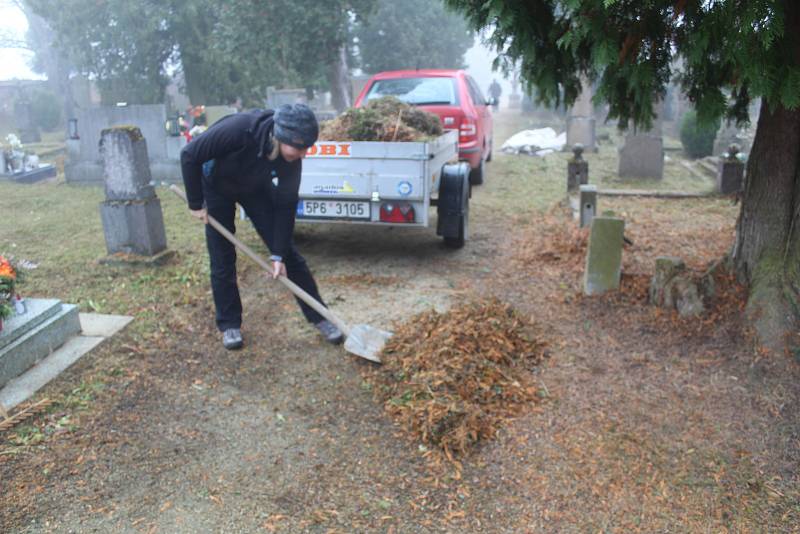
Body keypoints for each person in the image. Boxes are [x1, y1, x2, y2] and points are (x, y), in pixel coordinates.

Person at [179, 103, 343, 350]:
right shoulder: (238, 130)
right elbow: (189, 155)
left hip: (255, 188)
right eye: (299, 147)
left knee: (289, 255)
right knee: (222, 256)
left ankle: (320, 317)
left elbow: (286, 205)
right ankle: (229, 324)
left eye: (307, 148)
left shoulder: (292, 160)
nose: (303, 154)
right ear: (280, 136)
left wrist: (277, 253)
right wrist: (195, 203)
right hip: (216, 186)